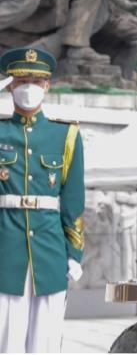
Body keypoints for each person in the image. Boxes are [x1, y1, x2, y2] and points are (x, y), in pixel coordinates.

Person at [0, 47, 85, 352]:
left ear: (48, 86)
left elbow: (73, 201)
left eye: (37, 81)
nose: (29, 88)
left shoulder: (66, 136)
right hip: (4, 250)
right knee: (5, 339)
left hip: (49, 250)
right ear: (10, 84)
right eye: (22, 80)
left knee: (46, 342)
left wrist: (74, 253)